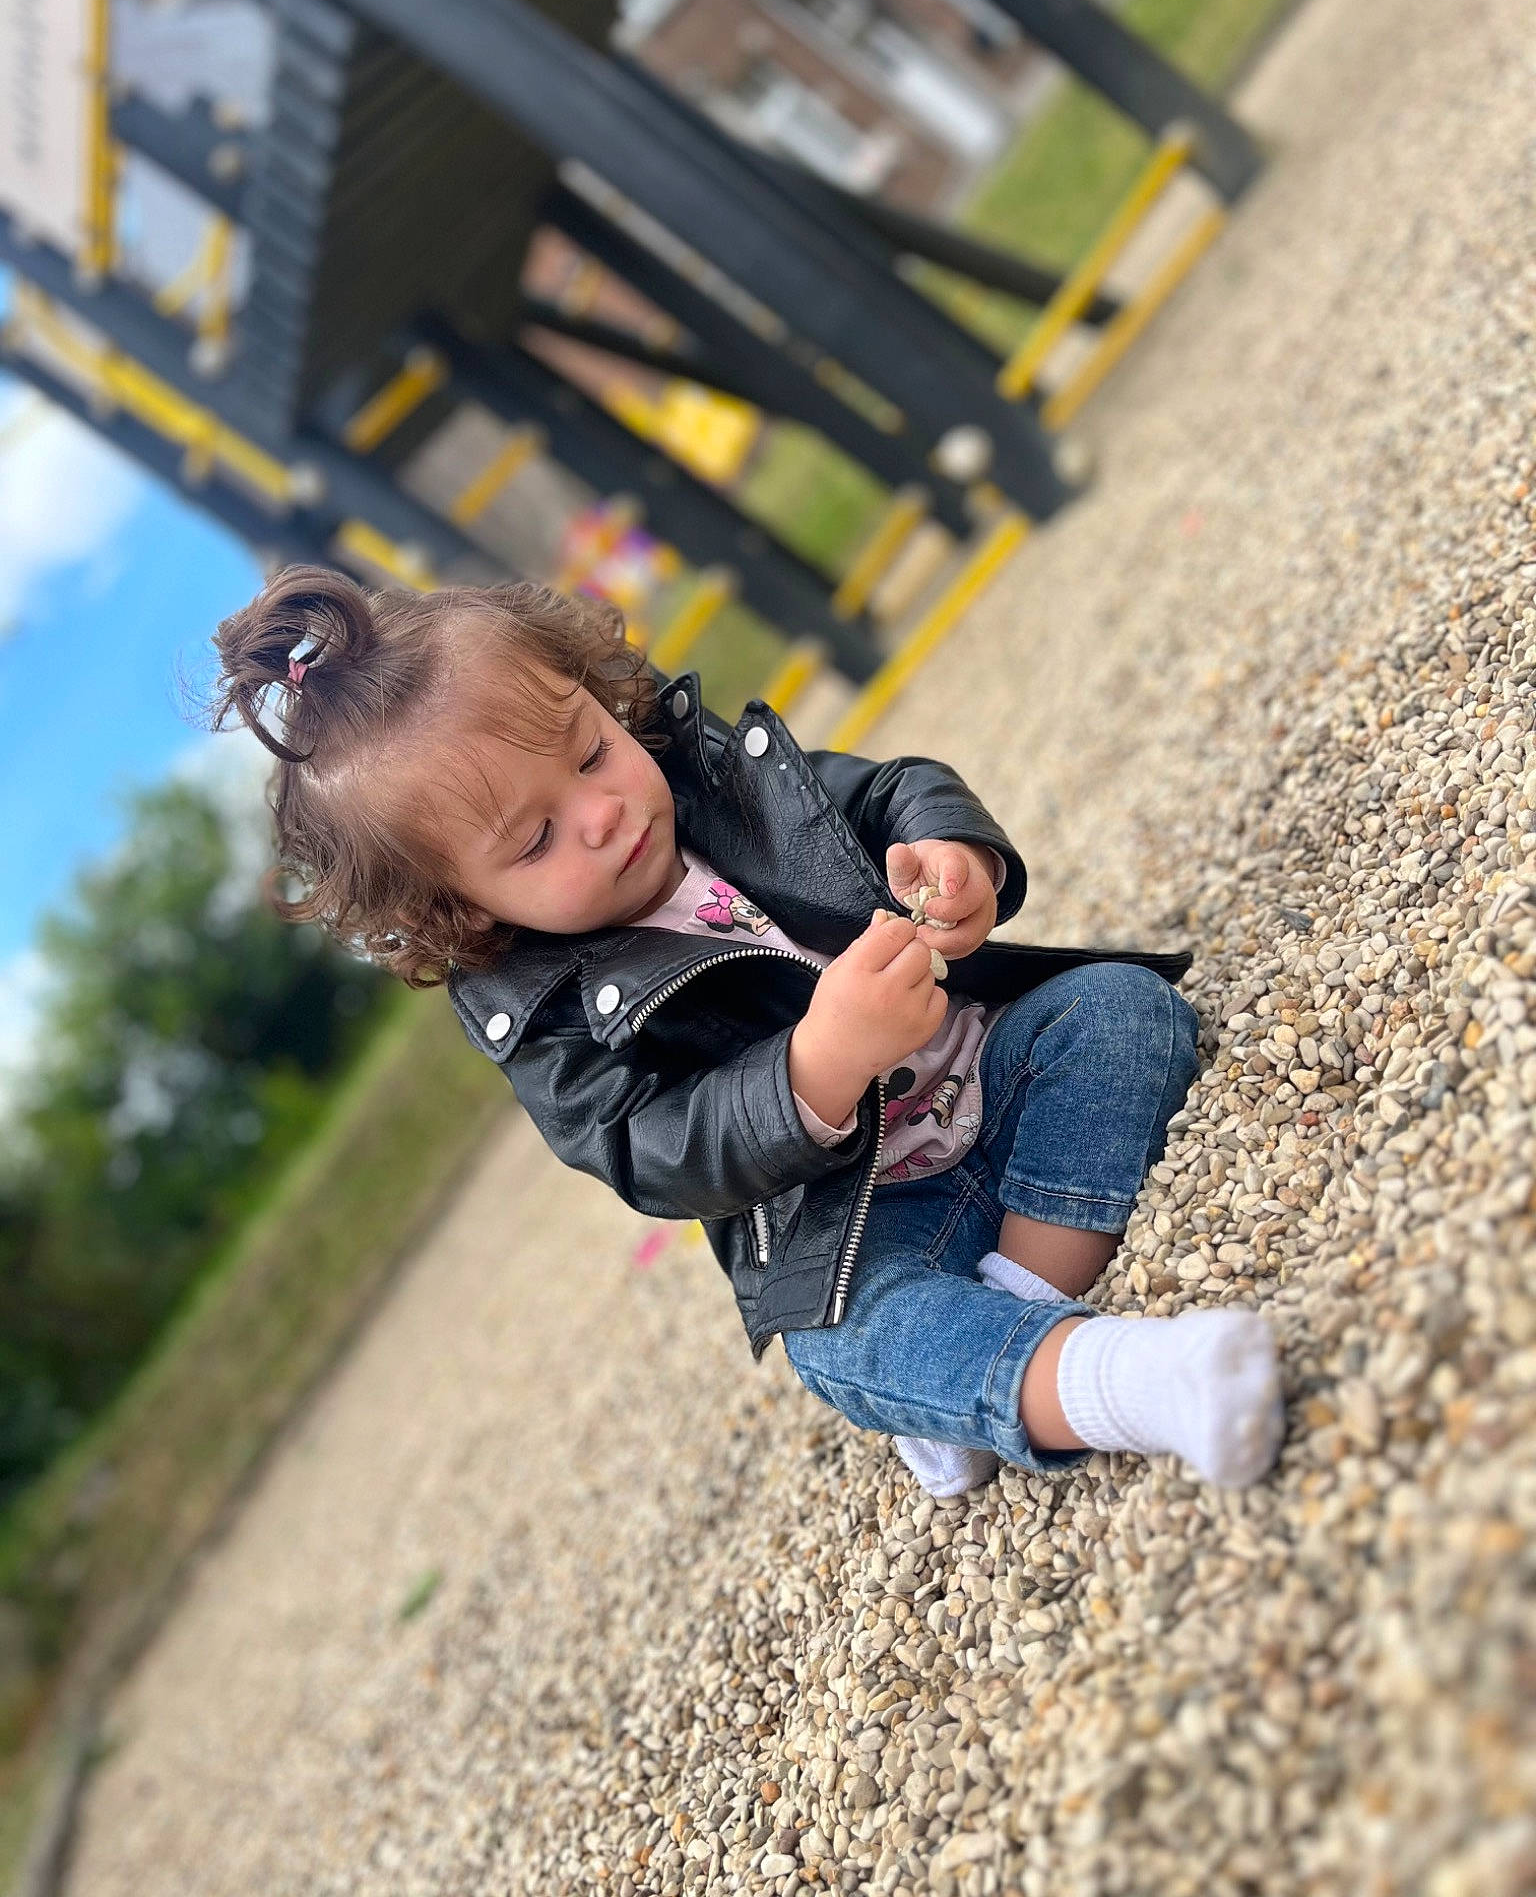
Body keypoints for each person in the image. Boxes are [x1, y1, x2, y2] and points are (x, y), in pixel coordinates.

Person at [209, 568, 1283, 1499]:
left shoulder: (716, 781)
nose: (601, 812)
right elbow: (651, 1149)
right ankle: (1130, 1381)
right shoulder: (542, 1013)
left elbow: (885, 791)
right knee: (843, 1340)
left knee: (1118, 1010)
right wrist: (816, 1066)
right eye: (535, 837)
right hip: (862, 1220)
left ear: (599, 696)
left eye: (590, 751)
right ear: (469, 911)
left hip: (989, 1066)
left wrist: (952, 854)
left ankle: (1009, 1318)